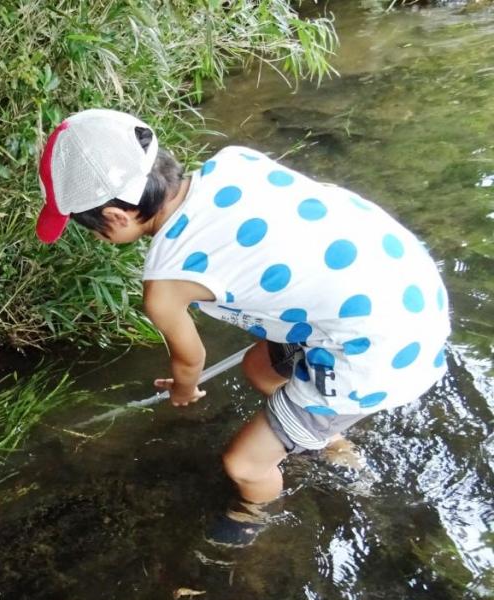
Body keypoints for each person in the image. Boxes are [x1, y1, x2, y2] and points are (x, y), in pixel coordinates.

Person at [34, 109, 450, 546]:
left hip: (374, 352)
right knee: (261, 368)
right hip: (406, 287)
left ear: (116, 217)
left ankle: (254, 515)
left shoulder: (166, 286)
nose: (98, 237)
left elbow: (190, 359)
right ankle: (331, 441)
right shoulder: (236, 162)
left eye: (91, 229)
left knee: (243, 464)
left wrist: (183, 390)